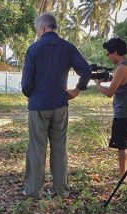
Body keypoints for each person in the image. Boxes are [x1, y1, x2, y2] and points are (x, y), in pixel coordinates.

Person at [21, 13, 91, 198]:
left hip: (38, 106)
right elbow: (86, 70)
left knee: (37, 148)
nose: (37, 33)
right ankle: (62, 191)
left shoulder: (34, 49)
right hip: (61, 104)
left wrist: (32, 95)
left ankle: (34, 191)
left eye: (37, 30)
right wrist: (77, 89)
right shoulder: (68, 47)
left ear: (42, 28)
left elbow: (26, 85)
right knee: (60, 148)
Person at [95, 38, 127, 182]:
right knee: (123, 144)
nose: (108, 57)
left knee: (121, 145)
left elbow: (109, 93)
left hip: (123, 111)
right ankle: (124, 175)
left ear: (115, 52)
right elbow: (122, 81)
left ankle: (122, 178)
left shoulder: (121, 67)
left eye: (109, 54)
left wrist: (98, 84)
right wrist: (108, 78)